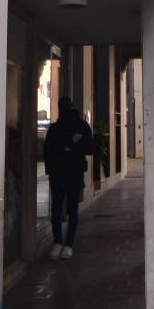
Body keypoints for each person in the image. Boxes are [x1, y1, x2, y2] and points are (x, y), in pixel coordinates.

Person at [41, 98, 94, 260]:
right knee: (70, 210)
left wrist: (69, 148)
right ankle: (67, 244)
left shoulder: (57, 128)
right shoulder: (80, 126)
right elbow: (89, 148)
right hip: (71, 173)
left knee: (58, 209)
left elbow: (47, 152)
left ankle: (61, 242)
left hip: (61, 174)